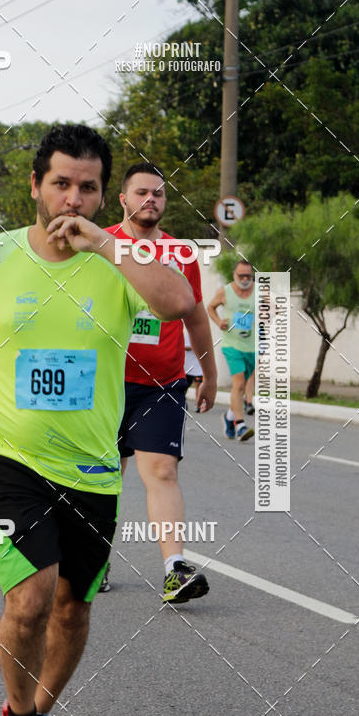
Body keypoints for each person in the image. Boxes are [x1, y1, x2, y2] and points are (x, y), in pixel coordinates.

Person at [0, 124, 194, 716]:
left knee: (73, 606)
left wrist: (107, 245)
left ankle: (39, 715)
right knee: (33, 596)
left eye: (88, 187)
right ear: (36, 186)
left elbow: (177, 302)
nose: (72, 197)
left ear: (104, 196)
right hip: (8, 456)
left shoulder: (120, 259)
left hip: (93, 465)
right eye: (60, 183)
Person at [101, 163, 216, 601]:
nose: (152, 200)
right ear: (124, 200)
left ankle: (175, 569)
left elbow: (196, 316)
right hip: (103, 382)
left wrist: (209, 373)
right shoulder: (100, 245)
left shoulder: (182, 254)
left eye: (159, 194)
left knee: (163, 471)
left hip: (162, 382)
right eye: (142, 192)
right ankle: (96, 559)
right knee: (105, 475)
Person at [207, 260, 256, 441]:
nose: (244, 279)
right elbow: (210, 307)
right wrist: (219, 322)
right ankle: (240, 425)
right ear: (234, 275)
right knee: (240, 384)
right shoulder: (225, 292)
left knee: (240, 388)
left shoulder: (259, 292)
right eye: (241, 275)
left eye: (248, 276)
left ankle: (228, 417)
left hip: (251, 347)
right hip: (232, 346)